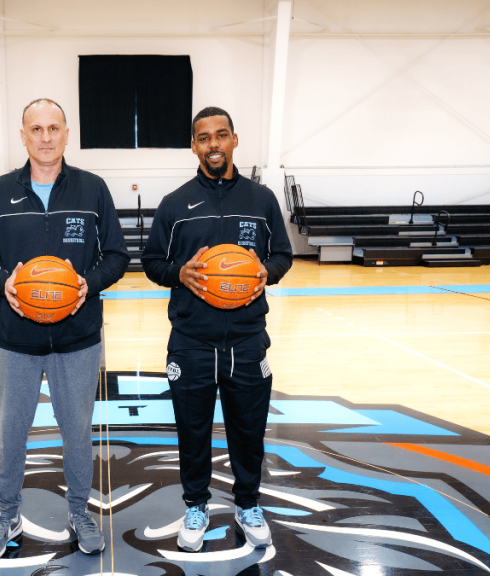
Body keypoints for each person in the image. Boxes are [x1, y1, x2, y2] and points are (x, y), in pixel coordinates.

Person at [0, 98, 129, 561]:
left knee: (76, 432)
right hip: (15, 340)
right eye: (35, 128)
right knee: (10, 434)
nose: (45, 136)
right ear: (23, 136)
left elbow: (117, 256)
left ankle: (80, 511)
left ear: (65, 133)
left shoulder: (92, 189)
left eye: (53, 127)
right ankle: (7, 513)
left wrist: (86, 284)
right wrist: (6, 282)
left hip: (77, 339)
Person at [141, 106, 293, 552]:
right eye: (204, 137)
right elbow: (151, 262)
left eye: (221, 135)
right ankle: (196, 506)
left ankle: (247, 504)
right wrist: (179, 274)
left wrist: (266, 271)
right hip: (191, 339)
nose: (213, 144)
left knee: (250, 429)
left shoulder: (262, 200)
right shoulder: (175, 204)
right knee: (193, 430)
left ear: (234, 140)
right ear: (194, 145)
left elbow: (283, 255)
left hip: (247, 339)